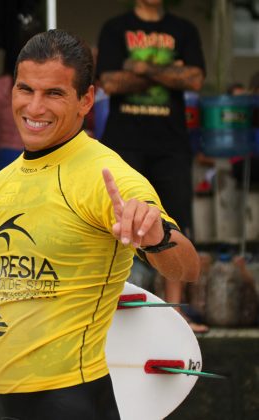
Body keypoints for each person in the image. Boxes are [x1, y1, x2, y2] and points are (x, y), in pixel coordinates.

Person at [0, 29, 200, 419]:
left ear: (86, 100)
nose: (35, 107)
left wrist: (156, 237)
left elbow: (188, 267)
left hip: (70, 400)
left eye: (54, 94)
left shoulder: (105, 176)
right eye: (26, 89)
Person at [96, 0, 207, 332]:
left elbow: (196, 79)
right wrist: (170, 73)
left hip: (171, 143)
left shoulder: (184, 29)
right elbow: (111, 83)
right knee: (116, 221)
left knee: (175, 220)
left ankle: (175, 312)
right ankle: (111, 307)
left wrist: (143, 70)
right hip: (124, 142)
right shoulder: (116, 27)